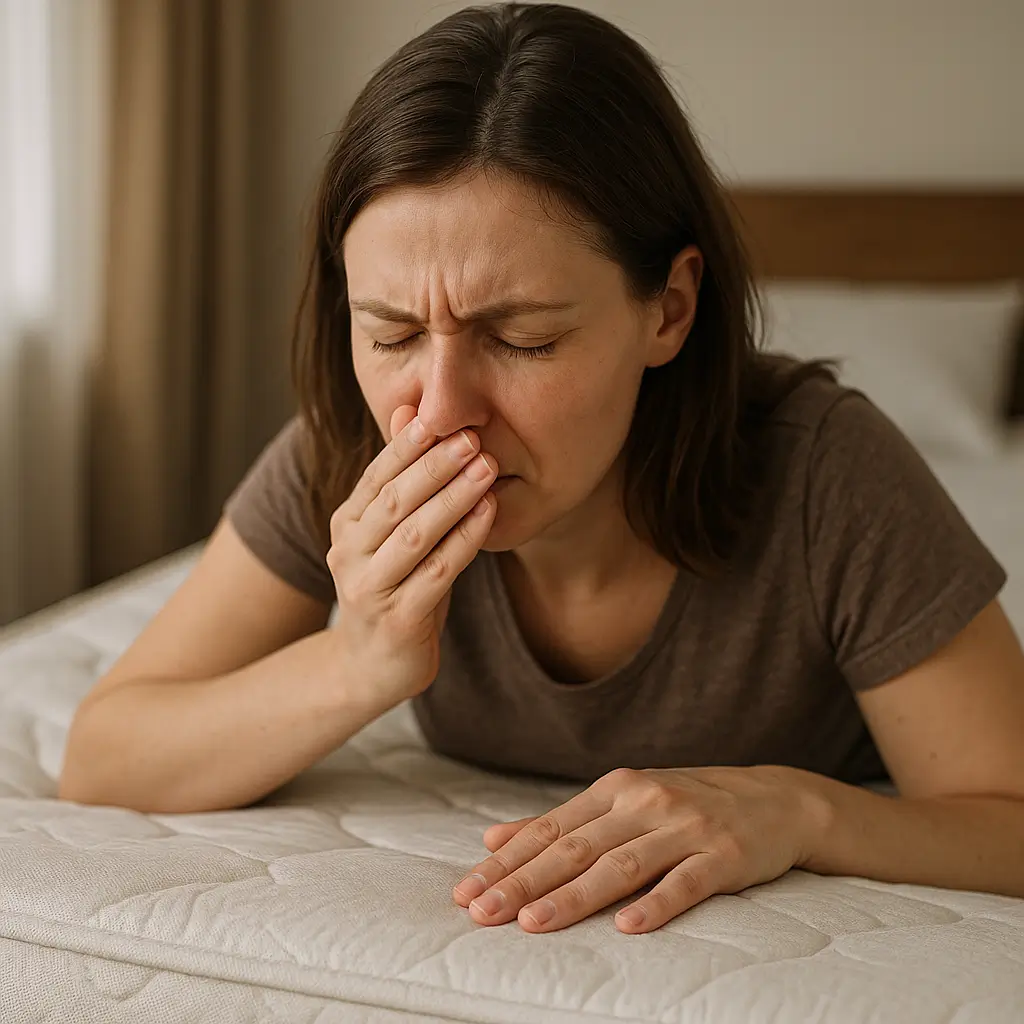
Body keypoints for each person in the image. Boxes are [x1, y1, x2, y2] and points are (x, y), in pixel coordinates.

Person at [59, 2, 1024, 936]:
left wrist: (802, 811)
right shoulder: (345, 450)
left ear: (669, 309)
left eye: (523, 340)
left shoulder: (825, 472)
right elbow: (105, 761)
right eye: (391, 331)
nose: (437, 413)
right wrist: (355, 661)